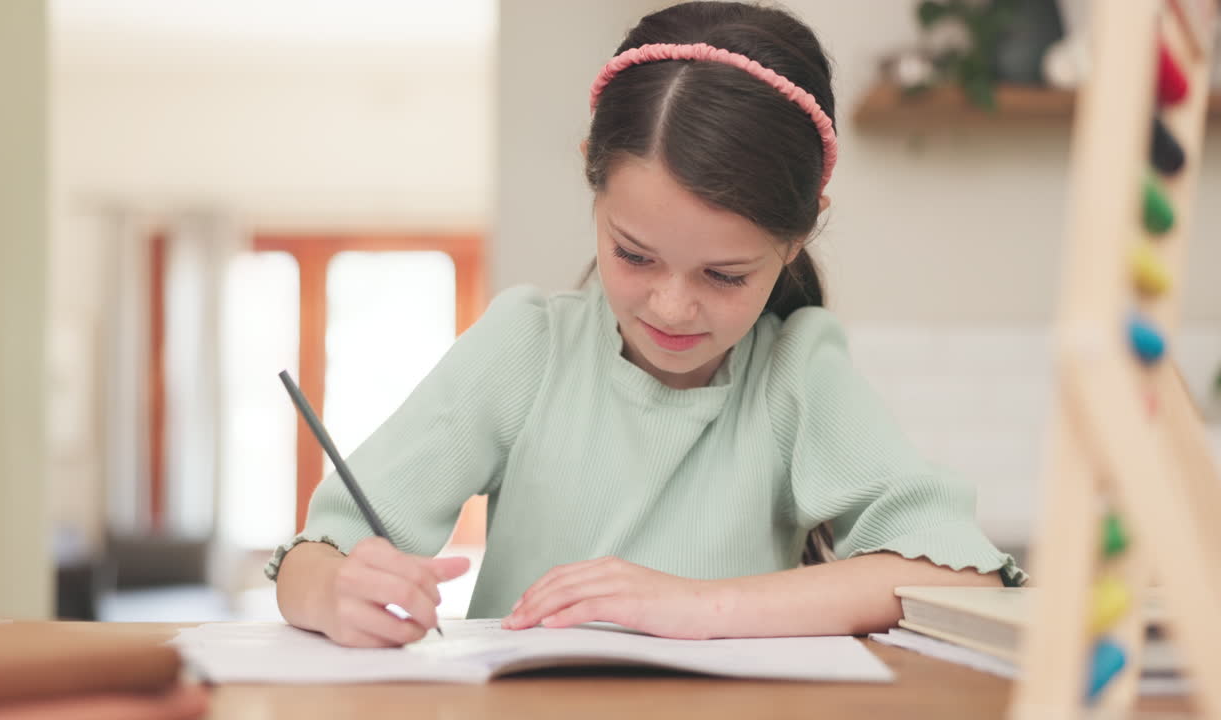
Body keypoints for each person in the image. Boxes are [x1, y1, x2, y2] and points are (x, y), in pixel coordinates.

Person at [269, 0, 1023, 649]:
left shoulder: (796, 372)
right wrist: (336, 592)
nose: (671, 306)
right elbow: (312, 561)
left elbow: (962, 573)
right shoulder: (528, 346)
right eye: (633, 255)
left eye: (725, 276)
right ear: (591, 182)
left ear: (797, 238)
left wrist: (693, 607)